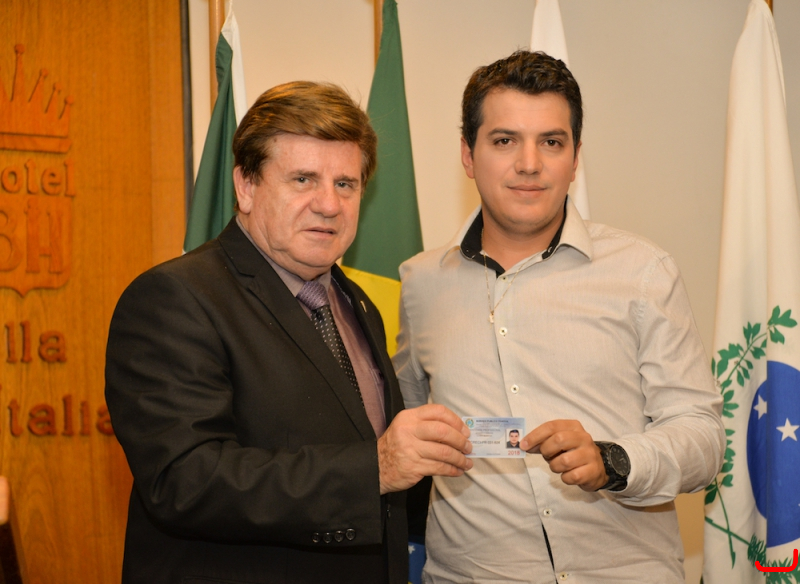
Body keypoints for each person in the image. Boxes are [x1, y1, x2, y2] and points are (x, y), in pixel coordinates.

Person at [105, 81, 473, 584]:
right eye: (303, 179)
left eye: (346, 184)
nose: (329, 204)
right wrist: (375, 469)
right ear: (246, 186)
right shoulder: (176, 298)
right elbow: (184, 480)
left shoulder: (357, 304)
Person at [393, 51, 725, 583]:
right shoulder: (420, 283)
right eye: (505, 140)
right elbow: (405, 428)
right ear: (468, 154)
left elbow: (703, 438)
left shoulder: (643, 272)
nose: (530, 163)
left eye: (551, 142)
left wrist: (613, 460)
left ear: (575, 159)